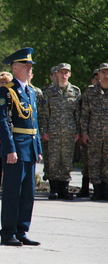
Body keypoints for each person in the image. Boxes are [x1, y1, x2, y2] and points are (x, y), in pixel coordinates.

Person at [0, 47, 43, 247]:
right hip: (16, 147)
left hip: (30, 147)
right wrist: (10, 148)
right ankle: (8, 233)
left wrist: (38, 147)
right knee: (12, 192)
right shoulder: (6, 91)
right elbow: (2, 121)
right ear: (15, 68)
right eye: (26, 65)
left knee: (28, 194)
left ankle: (22, 230)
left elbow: (34, 122)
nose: (30, 69)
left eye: (31, 65)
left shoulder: (30, 91)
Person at [38, 63, 81, 200]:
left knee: (67, 162)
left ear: (69, 74)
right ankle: (54, 189)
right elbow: (45, 113)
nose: (63, 75)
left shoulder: (75, 91)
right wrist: (44, 130)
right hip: (53, 132)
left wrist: (78, 131)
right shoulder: (49, 92)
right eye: (61, 72)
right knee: (54, 161)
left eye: (66, 72)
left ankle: (64, 189)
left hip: (69, 132)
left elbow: (78, 113)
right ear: (56, 74)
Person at [80, 63, 108, 201]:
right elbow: (84, 114)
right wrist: (84, 132)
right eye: (103, 72)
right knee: (95, 162)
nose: (106, 75)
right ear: (99, 75)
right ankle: (97, 190)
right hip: (94, 134)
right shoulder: (90, 92)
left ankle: (106, 190)